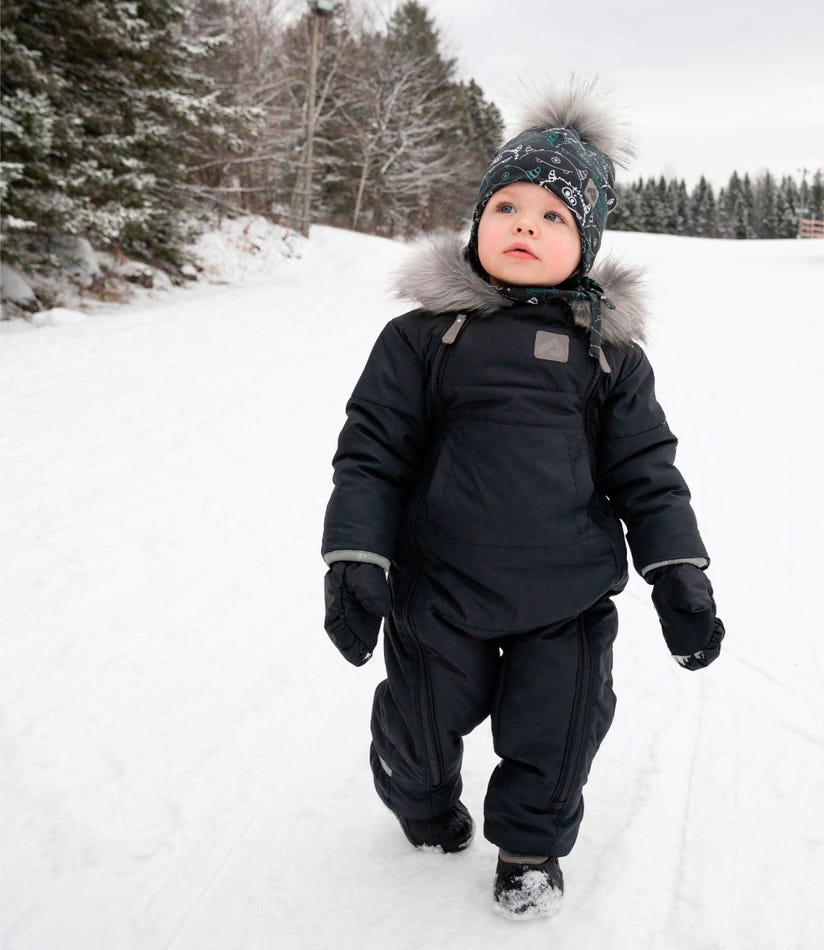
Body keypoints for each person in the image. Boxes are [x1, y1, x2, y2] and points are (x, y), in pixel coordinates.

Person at [322, 82, 725, 920]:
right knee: (420, 724)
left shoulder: (609, 359)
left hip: (566, 600)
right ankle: (424, 803)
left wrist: (678, 572)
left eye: (552, 217)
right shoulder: (423, 338)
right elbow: (373, 453)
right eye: (506, 206)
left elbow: (648, 472)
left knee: (559, 731)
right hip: (439, 592)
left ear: (585, 244)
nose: (524, 227)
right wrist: (357, 555)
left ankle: (530, 849)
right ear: (477, 221)